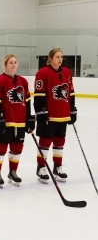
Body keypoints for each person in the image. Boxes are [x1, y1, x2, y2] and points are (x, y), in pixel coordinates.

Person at [0, 54, 35, 187]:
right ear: (5, 65)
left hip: (20, 121)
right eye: (10, 63)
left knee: (17, 148)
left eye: (15, 62)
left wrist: (29, 119)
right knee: (0, 148)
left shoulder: (23, 81)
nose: (13, 65)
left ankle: (13, 172)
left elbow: (27, 102)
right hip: (6, 121)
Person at [34, 47, 76, 183]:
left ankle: (57, 167)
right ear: (50, 59)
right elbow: (39, 94)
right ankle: (41, 167)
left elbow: (71, 92)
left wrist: (72, 110)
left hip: (63, 114)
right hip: (49, 115)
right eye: (57, 57)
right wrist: (41, 112)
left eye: (61, 57)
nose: (60, 59)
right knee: (45, 142)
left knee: (59, 142)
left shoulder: (67, 72)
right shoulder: (42, 73)